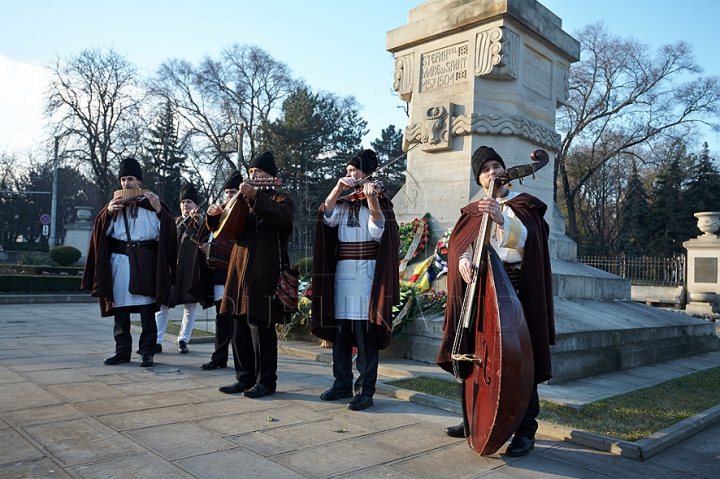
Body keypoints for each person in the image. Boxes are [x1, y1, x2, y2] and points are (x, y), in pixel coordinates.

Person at [436, 146, 555, 457]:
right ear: (479, 177)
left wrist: (502, 218)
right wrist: (462, 260)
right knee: (471, 354)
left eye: (496, 165)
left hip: (515, 288)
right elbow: (462, 245)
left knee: (521, 361)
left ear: (506, 172)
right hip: (481, 291)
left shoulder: (523, 206)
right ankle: (472, 418)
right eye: (485, 168)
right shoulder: (472, 211)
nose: (492, 171)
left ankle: (526, 432)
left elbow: (531, 241)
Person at [311, 149, 400, 411]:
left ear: (367, 173)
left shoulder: (379, 198)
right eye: (347, 171)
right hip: (342, 275)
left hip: (367, 273)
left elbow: (378, 232)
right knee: (341, 334)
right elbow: (326, 218)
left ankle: (365, 390)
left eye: (354, 171)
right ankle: (341, 383)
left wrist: (372, 201)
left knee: (365, 335)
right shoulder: (343, 200)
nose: (349, 175)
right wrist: (337, 189)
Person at [82, 157, 177, 368]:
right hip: (120, 262)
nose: (127, 183)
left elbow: (168, 233)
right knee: (121, 309)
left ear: (139, 183)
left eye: (131, 179)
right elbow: (101, 233)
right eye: (123, 179)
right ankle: (122, 350)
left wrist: (160, 211)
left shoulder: (153, 205)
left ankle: (147, 351)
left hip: (146, 261)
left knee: (146, 310)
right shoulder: (113, 207)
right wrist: (107, 214)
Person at [216, 151, 294, 398]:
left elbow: (283, 218)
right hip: (238, 274)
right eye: (250, 172)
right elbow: (226, 230)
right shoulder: (241, 200)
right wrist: (214, 215)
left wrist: (256, 197)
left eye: (258, 171)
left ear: (271, 175)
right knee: (238, 326)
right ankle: (244, 378)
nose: (253, 175)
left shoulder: (282, 199)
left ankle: (266, 382)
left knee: (261, 328)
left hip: (265, 273)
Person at [189, 171, 242, 370]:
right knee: (221, 320)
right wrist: (206, 248)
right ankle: (219, 358)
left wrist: (214, 248)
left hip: (235, 275)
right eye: (227, 192)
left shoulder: (243, 213)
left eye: (233, 192)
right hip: (218, 275)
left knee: (234, 322)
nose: (229, 195)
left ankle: (240, 362)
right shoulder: (218, 212)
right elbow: (209, 235)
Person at [155, 182, 202, 355]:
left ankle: (183, 340)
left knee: (190, 307)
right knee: (162, 306)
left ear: (195, 205)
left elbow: (206, 233)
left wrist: (199, 220)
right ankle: (157, 341)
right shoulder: (174, 222)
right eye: (183, 202)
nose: (185, 205)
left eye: (189, 202)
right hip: (171, 271)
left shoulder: (200, 223)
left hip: (189, 272)